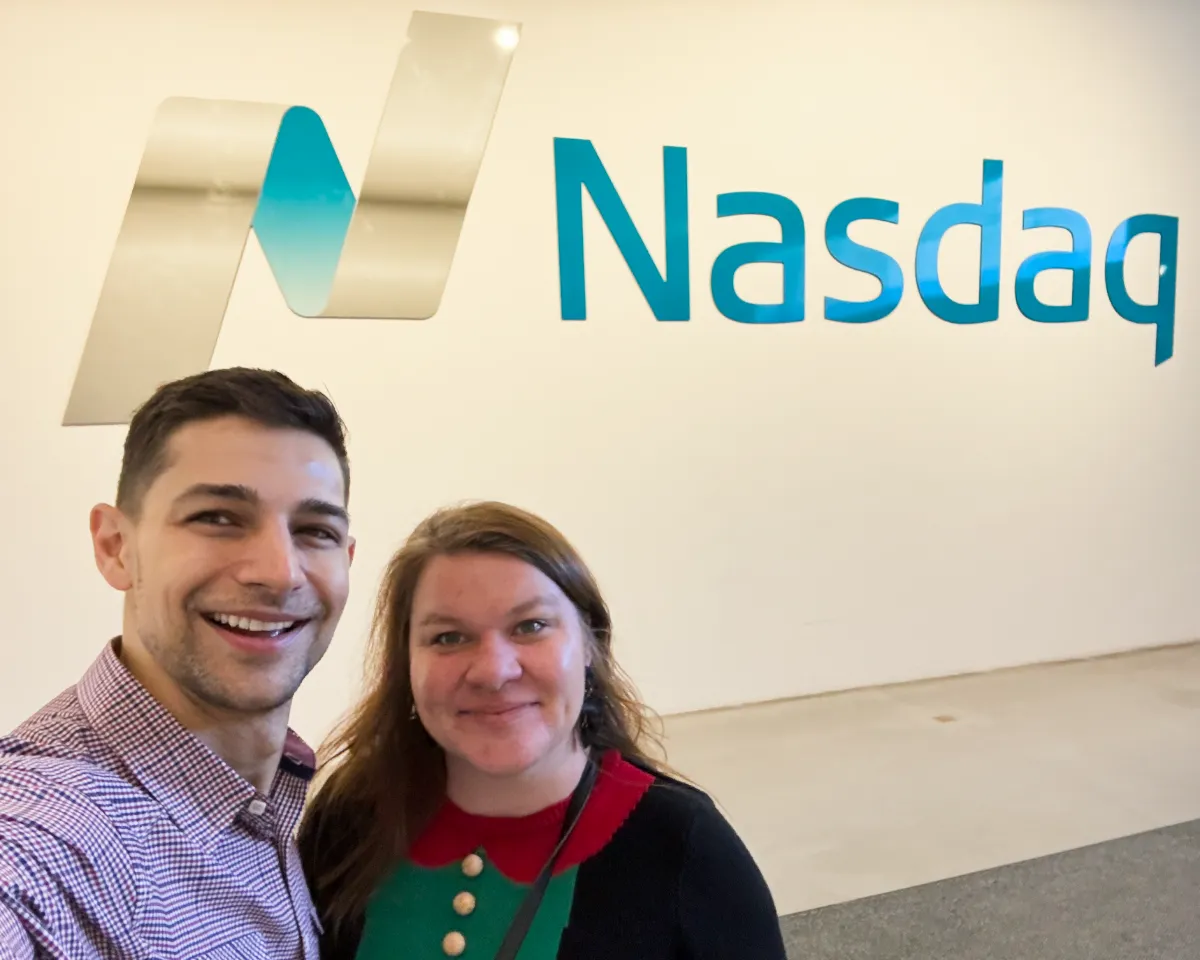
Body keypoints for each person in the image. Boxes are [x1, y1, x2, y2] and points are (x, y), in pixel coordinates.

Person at [298, 500, 787, 959]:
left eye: (530, 626)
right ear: (405, 664)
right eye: (448, 637)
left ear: (590, 645)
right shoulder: (349, 820)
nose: (493, 671)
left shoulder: (681, 846)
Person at [0, 367, 356, 959]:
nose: (278, 571)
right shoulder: (50, 836)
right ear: (116, 547)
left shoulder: (290, 810)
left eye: (314, 530)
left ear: (346, 560)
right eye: (217, 517)